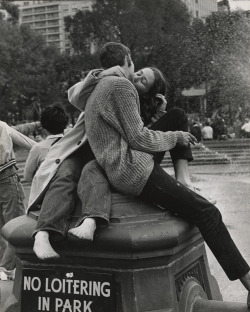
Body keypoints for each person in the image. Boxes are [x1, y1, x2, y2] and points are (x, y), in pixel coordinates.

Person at [74, 42, 250, 307]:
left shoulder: (98, 88)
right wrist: (176, 135)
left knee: (195, 210)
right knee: (207, 213)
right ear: (128, 59)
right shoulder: (120, 86)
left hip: (119, 170)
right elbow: (138, 138)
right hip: (133, 170)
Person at [0, 120, 38, 280]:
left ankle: (4, 266)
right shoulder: (1, 126)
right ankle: (7, 268)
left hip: (6, 175)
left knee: (2, 228)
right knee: (16, 226)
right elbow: (30, 144)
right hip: (6, 176)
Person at [24, 104, 69, 182]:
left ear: (44, 127)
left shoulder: (37, 149)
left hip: (46, 191)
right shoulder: (72, 145)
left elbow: (27, 177)